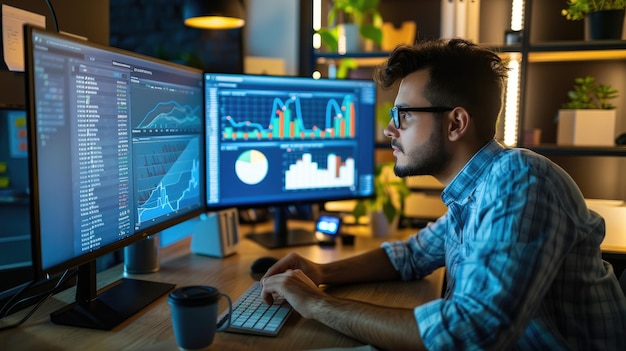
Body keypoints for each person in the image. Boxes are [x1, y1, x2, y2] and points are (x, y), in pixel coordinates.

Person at [260, 38, 626, 350]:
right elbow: (411, 256)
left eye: (403, 114)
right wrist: (319, 271)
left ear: (456, 123)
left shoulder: (520, 179)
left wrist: (317, 304)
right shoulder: (474, 191)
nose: (389, 128)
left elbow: (471, 333)